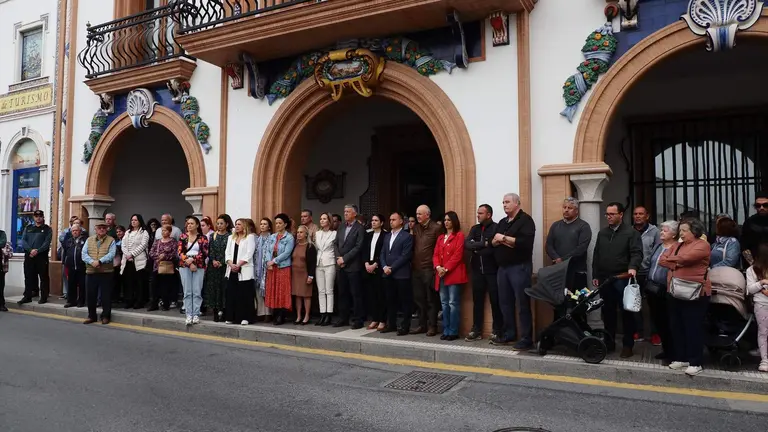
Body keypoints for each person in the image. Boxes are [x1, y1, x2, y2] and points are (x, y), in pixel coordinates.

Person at [659, 218, 711, 376]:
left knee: (692, 327)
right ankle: (681, 358)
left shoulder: (702, 245)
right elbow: (662, 260)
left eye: (684, 230)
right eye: (680, 230)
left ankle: (696, 362)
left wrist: (675, 261)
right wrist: (677, 262)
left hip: (695, 292)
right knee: (677, 326)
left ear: (694, 231)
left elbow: (687, 258)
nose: (681, 233)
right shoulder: (677, 245)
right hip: (675, 291)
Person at [592, 202, 642, 358]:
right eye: (607, 214)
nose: (608, 217)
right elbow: (596, 255)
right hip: (606, 279)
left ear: (621, 215)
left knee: (626, 313)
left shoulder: (631, 233)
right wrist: (595, 275)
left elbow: (636, 253)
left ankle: (628, 345)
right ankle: (609, 342)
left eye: (612, 214)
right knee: (608, 313)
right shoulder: (603, 233)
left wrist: (633, 267)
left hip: (622, 278)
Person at [490, 194, 536, 350]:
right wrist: (507, 240)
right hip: (502, 268)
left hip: (519, 267)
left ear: (517, 203)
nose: (504, 205)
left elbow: (524, 243)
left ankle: (526, 337)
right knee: (505, 303)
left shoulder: (526, 220)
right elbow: (492, 242)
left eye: (507, 202)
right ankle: (509, 334)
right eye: (503, 202)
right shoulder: (503, 222)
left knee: (522, 303)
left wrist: (502, 238)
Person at [545, 198, 592, 322]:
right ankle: (559, 334)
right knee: (559, 304)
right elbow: (549, 245)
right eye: (564, 207)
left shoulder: (583, 226)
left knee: (578, 304)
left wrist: (563, 259)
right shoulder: (556, 225)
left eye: (569, 208)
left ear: (576, 211)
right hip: (559, 273)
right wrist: (556, 258)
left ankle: (580, 336)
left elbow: (581, 248)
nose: (566, 210)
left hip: (577, 273)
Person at [464, 204, 502, 342]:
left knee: (495, 301)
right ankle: (476, 329)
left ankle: (497, 330)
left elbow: (493, 248)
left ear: (488, 215)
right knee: (477, 301)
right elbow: (467, 244)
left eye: (480, 213)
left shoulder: (496, 228)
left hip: (492, 270)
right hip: (477, 271)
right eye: (477, 212)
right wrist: (484, 244)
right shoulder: (475, 229)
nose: (477, 215)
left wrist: (479, 246)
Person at [643, 220, 679, 360]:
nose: (661, 232)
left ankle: (673, 352)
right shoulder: (658, 246)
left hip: (666, 290)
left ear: (674, 234)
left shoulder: (677, 248)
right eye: (661, 230)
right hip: (652, 288)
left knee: (668, 322)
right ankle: (666, 349)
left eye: (665, 230)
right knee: (658, 321)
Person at [434, 211, 467, 341]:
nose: (446, 222)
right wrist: (438, 267)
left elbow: (457, 255)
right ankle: (446, 329)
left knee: (453, 303)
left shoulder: (459, 236)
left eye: (449, 220)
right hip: (441, 274)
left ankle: (453, 331)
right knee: (444, 303)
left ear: (454, 221)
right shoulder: (440, 237)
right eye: (445, 220)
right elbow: (435, 254)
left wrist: (446, 268)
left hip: (453, 274)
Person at [380, 212, 414, 335]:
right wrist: (384, 266)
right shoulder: (387, 236)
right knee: (390, 300)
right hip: (387, 273)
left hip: (401, 273)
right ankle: (391, 324)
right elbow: (383, 253)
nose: (391, 221)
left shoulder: (407, 237)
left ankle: (405, 326)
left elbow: (405, 256)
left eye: (394, 219)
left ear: (401, 221)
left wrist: (392, 267)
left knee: (404, 301)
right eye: (390, 219)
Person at [410, 204, 442, 336]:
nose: (417, 216)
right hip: (416, 269)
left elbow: (440, 248)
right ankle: (421, 325)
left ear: (427, 215)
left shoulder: (436, 228)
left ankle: (432, 326)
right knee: (419, 298)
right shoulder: (416, 228)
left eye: (420, 214)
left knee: (431, 300)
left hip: (429, 269)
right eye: (417, 213)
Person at [333, 204, 365, 329]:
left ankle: (358, 319)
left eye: (348, 211)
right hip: (340, 266)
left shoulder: (359, 228)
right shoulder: (341, 227)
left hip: (353, 266)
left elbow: (358, 246)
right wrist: (338, 258)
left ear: (354, 214)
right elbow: (335, 244)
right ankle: (343, 318)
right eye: (344, 211)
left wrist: (345, 259)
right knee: (342, 293)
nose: (345, 213)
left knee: (356, 294)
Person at [632, 206, 660, 342]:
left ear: (647, 216)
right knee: (635, 303)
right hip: (634, 273)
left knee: (653, 304)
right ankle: (638, 331)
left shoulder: (655, 232)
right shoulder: (629, 231)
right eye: (635, 214)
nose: (637, 216)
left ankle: (655, 333)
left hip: (649, 273)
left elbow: (658, 252)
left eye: (641, 214)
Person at [82, 223, 117, 325]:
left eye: (103, 228)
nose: (101, 230)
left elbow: (111, 254)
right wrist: (92, 262)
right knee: (90, 295)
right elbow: (84, 254)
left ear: (107, 229)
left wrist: (100, 261)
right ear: (95, 229)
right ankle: (91, 316)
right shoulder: (89, 240)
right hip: (91, 271)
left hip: (106, 272)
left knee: (106, 296)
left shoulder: (111, 240)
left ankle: (105, 316)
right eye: (99, 228)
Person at [224, 219, 257, 325]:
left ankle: (245, 317)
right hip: (232, 269)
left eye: (239, 224)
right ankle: (231, 317)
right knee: (232, 293)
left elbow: (249, 254)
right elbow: (227, 253)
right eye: (236, 224)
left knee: (244, 295)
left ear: (245, 226)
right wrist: (231, 264)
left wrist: (238, 265)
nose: (237, 226)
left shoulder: (250, 237)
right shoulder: (231, 237)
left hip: (244, 270)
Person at [178, 216, 209, 325]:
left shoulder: (203, 238)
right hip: (185, 265)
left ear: (197, 225)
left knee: (196, 290)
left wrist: (194, 261)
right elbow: (180, 252)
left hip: (198, 266)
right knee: (187, 291)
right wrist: (188, 261)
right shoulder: (183, 237)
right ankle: (188, 314)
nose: (189, 225)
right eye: (188, 223)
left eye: (192, 223)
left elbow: (205, 253)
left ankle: (196, 314)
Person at [265, 214, 295, 325]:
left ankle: (281, 315)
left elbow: (287, 253)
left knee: (282, 290)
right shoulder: (272, 236)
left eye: (280, 223)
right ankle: (275, 313)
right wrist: (268, 261)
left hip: (283, 267)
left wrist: (274, 261)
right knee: (273, 290)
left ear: (285, 224)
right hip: (272, 268)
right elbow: (268, 250)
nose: (277, 225)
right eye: (276, 223)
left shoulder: (289, 237)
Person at [18, 210, 52, 304]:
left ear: (43, 217)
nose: (38, 218)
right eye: (36, 216)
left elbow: (46, 243)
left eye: (40, 216)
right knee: (28, 276)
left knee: (43, 277)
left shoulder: (47, 229)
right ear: (34, 217)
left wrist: (37, 251)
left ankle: (44, 297)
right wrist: (30, 250)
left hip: (41, 256)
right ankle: (27, 296)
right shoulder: (28, 228)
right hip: (29, 256)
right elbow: (23, 241)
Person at [205, 215, 232, 321]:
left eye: (222, 223)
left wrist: (222, 262)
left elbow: (229, 251)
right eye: (218, 223)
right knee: (214, 289)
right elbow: (210, 250)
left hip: (225, 266)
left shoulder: (230, 236)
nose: (219, 226)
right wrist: (213, 260)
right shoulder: (213, 236)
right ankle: (215, 311)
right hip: (214, 267)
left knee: (224, 289)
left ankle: (224, 311)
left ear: (227, 224)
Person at [746, 243, 768, 372]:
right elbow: (750, 289)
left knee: (763, 332)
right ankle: (764, 360)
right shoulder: (752, 270)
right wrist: (761, 283)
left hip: (762, 302)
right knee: (763, 331)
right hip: (761, 304)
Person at [121, 214, 150, 309]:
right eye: (132, 220)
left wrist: (132, 254)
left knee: (139, 283)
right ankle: (129, 300)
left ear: (140, 221)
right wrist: (127, 255)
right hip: (128, 261)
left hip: (139, 261)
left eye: (135, 220)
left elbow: (143, 245)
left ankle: (139, 301)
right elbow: (123, 245)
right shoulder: (127, 232)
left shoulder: (144, 232)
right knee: (128, 282)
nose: (133, 222)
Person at [362, 214, 386, 330]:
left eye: (376, 220)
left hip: (379, 267)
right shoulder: (368, 235)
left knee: (380, 295)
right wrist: (366, 263)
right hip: (368, 266)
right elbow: (364, 250)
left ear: (381, 223)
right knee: (371, 296)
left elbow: (383, 252)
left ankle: (382, 319)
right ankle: (374, 319)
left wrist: (375, 264)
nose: (373, 222)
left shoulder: (385, 235)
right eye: (372, 220)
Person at [148, 225, 179, 311]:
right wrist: (158, 257)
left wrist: (165, 256)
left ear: (169, 232)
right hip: (157, 266)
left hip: (167, 266)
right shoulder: (157, 241)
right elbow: (151, 252)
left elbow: (174, 254)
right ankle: (153, 304)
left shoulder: (173, 242)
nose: (163, 232)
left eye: (165, 230)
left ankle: (166, 304)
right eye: (162, 231)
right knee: (154, 285)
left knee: (165, 286)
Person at [292, 225, 317, 325]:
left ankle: (307, 315)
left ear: (306, 234)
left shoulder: (310, 246)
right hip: (295, 274)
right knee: (297, 295)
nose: (299, 234)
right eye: (298, 232)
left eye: (301, 232)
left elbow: (312, 263)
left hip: (305, 273)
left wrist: (311, 276)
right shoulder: (295, 245)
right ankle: (298, 315)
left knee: (306, 295)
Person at [314, 213, 337, 326]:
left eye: (324, 219)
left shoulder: (334, 234)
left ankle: (329, 314)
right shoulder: (317, 233)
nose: (322, 221)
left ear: (329, 221)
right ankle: (322, 313)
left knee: (329, 290)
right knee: (321, 291)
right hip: (319, 263)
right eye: (321, 218)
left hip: (330, 262)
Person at [63, 224, 87, 308]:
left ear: (80, 231)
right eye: (73, 231)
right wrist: (65, 263)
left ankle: (81, 301)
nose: (75, 232)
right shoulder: (69, 241)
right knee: (71, 284)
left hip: (81, 266)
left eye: (76, 230)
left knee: (82, 285)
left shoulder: (85, 240)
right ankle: (71, 301)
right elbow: (65, 252)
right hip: (71, 266)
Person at [254, 217, 273, 321]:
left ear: (269, 226)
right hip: (258, 268)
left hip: (267, 268)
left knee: (267, 291)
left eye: (265, 224)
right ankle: (261, 312)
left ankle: (268, 313)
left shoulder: (272, 238)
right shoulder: (257, 238)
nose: (262, 226)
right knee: (258, 291)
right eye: (261, 224)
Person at [741, 191, 768, 265]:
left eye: (765, 205)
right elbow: (744, 246)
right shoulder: (749, 222)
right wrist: (752, 264)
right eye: (758, 205)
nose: (761, 208)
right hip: (755, 264)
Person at [0, 229, 12, 311]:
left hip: (1, 266)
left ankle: (1, 304)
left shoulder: (2, 233)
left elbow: (2, 243)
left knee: (0, 286)